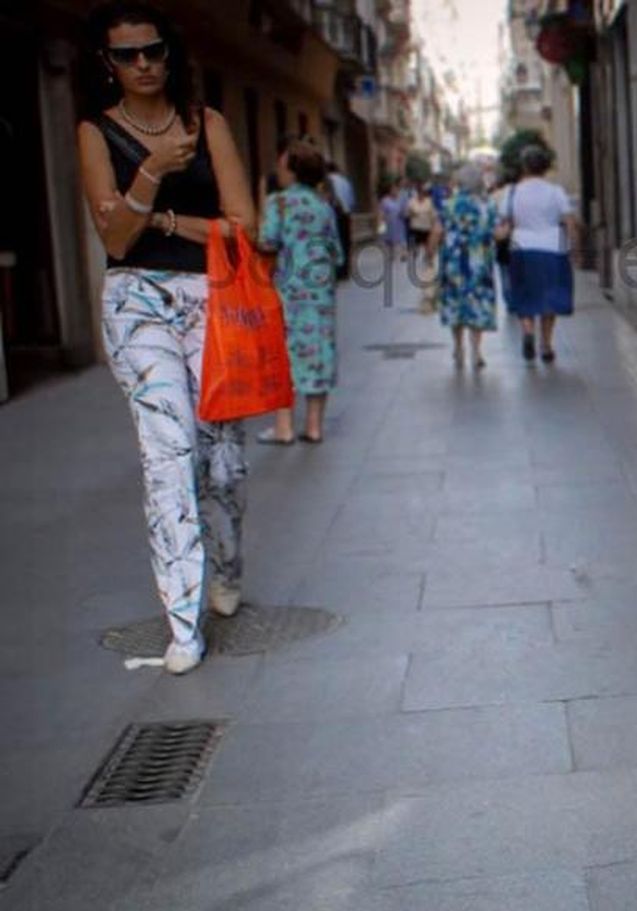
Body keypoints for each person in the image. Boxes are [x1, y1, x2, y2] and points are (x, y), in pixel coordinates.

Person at [75, 0, 256, 675]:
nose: (145, 64)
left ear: (169, 52)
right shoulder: (95, 132)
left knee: (222, 458)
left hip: (211, 299)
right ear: (108, 62)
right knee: (167, 452)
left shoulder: (206, 124)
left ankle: (228, 563)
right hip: (136, 303)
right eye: (128, 55)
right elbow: (116, 239)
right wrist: (151, 169)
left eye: (154, 51)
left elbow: (245, 227)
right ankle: (184, 622)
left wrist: (167, 217)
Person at [256, 137, 342, 445]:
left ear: (292, 170)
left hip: (287, 290)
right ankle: (315, 426)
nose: (277, 170)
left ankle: (284, 427)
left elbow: (267, 241)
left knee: (284, 352)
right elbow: (337, 252)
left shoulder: (278, 202)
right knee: (318, 349)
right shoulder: (323, 205)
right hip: (319, 290)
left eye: (281, 165)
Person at [499, 144, 579, 363]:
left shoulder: (512, 192)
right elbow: (569, 221)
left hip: (522, 248)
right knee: (550, 296)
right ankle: (546, 344)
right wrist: (574, 247)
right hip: (553, 248)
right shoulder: (556, 191)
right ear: (544, 167)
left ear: (524, 166)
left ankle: (527, 330)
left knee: (524, 293)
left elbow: (507, 222)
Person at [433, 162, 500, 369]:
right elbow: (496, 233)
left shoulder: (448, 204)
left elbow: (437, 231)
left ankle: (458, 346)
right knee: (477, 303)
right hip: (479, 263)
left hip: (453, 262)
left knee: (456, 303)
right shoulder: (488, 205)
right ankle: (476, 350)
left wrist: (428, 254)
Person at [326, 160, 355, 281]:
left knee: (334, 241)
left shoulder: (327, 181)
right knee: (345, 242)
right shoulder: (345, 181)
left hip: (332, 215)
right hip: (345, 215)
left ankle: (336, 270)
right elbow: (352, 201)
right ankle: (345, 271)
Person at [405, 182, 437, 268]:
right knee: (416, 245)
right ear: (417, 194)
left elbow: (433, 215)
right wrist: (411, 213)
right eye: (419, 193)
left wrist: (434, 226)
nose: (421, 195)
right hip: (415, 227)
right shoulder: (411, 202)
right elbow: (407, 214)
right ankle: (417, 253)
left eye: (422, 193)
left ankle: (429, 260)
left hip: (426, 227)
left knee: (427, 246)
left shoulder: (429, 202)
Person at [379, 181, 407, 261]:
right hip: (389, 223)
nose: (394, 191)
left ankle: (404, 254)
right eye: (392, 190)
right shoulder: (385, 200)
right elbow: (382, 213)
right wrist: (381, 224)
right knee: (389, 240)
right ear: (390, 191)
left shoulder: (401, 200)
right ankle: (391, 255)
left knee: (402, 239)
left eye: (396, 190)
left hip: (399, 222)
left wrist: (403, 213)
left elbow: (405, 211)